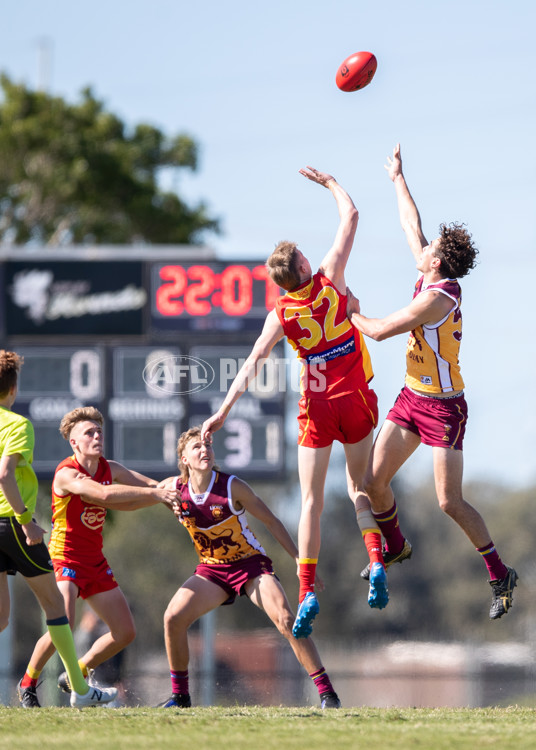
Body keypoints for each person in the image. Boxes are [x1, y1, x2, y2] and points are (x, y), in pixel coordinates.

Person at [202, 166, 385, 640]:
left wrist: (222, 413)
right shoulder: (331, 280)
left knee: (310, 501)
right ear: (303, 267)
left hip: (317, 405)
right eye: (304, 254)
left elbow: (250, 365)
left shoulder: (280, 313)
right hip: (356, 398)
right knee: (359, 484)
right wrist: (330, 184)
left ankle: (306, 590)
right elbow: (352, 216)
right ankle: (376, 559)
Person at [346, 143, 517, 619]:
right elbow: (409, 224)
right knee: (373, 482)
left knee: (448, 501)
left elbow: (379, 331)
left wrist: (350, 310)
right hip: (411, 398)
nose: (423, 250)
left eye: (431, 251)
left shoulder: (436, 300)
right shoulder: (430, 271)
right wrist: (398, 177)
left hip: (444, 407)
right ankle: (396, 547)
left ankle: (500, 573)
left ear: (438, 264)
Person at [0, 351, 117, 716]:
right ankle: (82, 689)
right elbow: (4, 475)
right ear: (14, 388)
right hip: (11, 523)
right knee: (57, 608)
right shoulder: (17, 425)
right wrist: (25, 520)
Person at [158, 426, 341, 709]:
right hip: (212, 570)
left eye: (208, 445)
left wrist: (298, 559)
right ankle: (180, 698)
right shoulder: (173, 490)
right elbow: (138, 491)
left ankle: (327, 693)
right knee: (172, 618)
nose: (204, 450)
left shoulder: (232, 486)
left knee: (285, 620)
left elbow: (271, 521)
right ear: (183, 458)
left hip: (251, 566)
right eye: (196, 447)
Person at [17, 406, 178, 708]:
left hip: (95, 562)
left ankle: (77, 671)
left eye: (99, 431)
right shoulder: (66, 474)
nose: (96, 436)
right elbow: (103, 496)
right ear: (74, 443)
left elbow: (145, 491)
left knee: (125, 632)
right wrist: (157, 495)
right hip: (65, 559)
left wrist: (176, 487)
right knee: (62, 626)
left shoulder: (110, 468)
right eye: (89, 433)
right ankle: (28, 683)